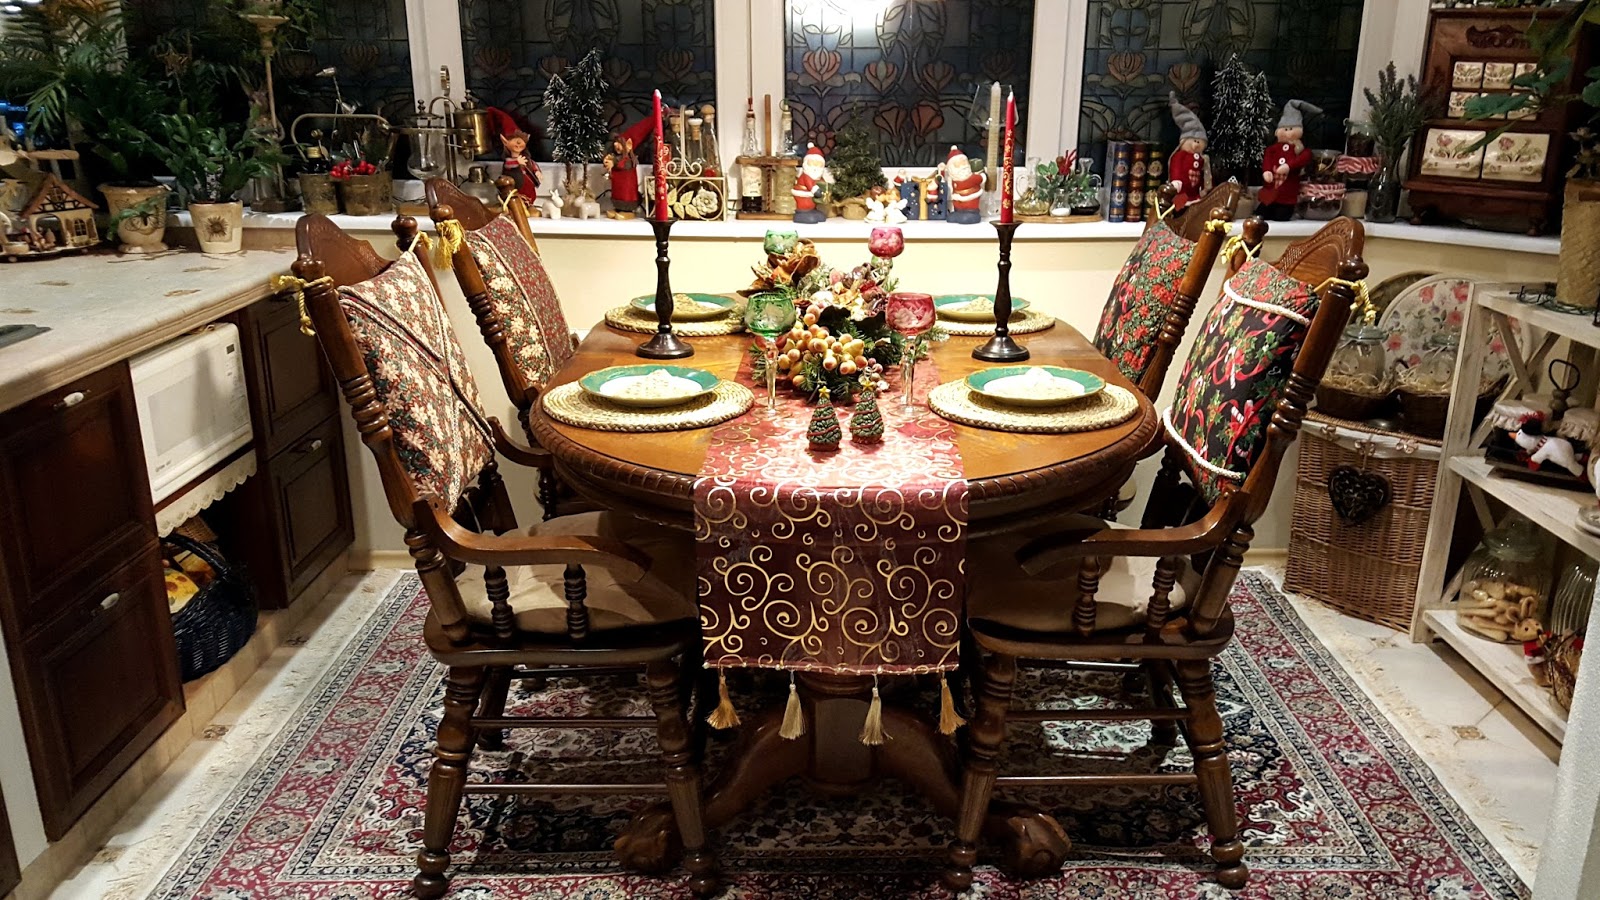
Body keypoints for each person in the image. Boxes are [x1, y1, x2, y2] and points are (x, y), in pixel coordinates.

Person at [1259, 99, 1321, 221]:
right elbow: (1267, 159)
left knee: (1281, 217)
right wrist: (1267, 171)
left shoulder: (1300, 149)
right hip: (1270, 192)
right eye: (1285, 129)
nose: (1287, 133)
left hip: (1287, 195)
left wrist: (1288, 166)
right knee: (1262, 213)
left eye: (1291, 129)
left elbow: (1305, 157)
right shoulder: (1273, 149)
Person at [1166, 92, 1211, 211]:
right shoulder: (1180, 155)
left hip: (1195, 194)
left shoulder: (1202, 159)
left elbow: (1203, 174)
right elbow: (1175, 167)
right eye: (1194, 140)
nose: (1196, 145)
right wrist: (1175, 180)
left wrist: (1204, 187)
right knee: (1179, 207)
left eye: (1199, 141)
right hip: (1181, 192)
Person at [944, 146, 984, 224]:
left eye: (964, 163)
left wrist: (982, 175)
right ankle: (958, 213)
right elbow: (942, 179)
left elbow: (981, 178)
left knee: (966, 218)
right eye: (958, 165)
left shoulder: (971, 178)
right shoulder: (953, 179)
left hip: (970, 205)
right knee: (951, 217)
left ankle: (972, 215)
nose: (963, 167)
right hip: (958, 207)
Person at [603, 135, 640, 217]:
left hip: (627, 187)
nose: (616, 144)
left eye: (619, 143)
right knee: (618, 195)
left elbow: (622, 164)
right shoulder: (617, 157)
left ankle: (627, 211)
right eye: (615, 142)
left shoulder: (629, 160)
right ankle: (618, 209)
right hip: (618, 185)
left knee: (625, 196)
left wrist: (613, 162)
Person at [500, 130, 540, 203]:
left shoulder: (526, 159)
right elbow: (508, 164)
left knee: (529, 195)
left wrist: (537, 171)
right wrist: (517, 162)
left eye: (522, 140)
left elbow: (533, 164)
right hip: (516, 186)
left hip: (528, 185)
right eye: (514, 140)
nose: (518, 142)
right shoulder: (508, 161)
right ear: (505, 142)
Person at [793, 142, 828, 224]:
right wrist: (816, 191)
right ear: (806, 164)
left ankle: (812, 211)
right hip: (803, 197)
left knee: (818, 212)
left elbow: (822, 183)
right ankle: (802, 214)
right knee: (805, 204)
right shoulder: (806, 176)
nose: (815, 168)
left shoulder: (818, 177)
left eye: (819, 165)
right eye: (812, 164)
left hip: (812, 201)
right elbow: (810, 186)